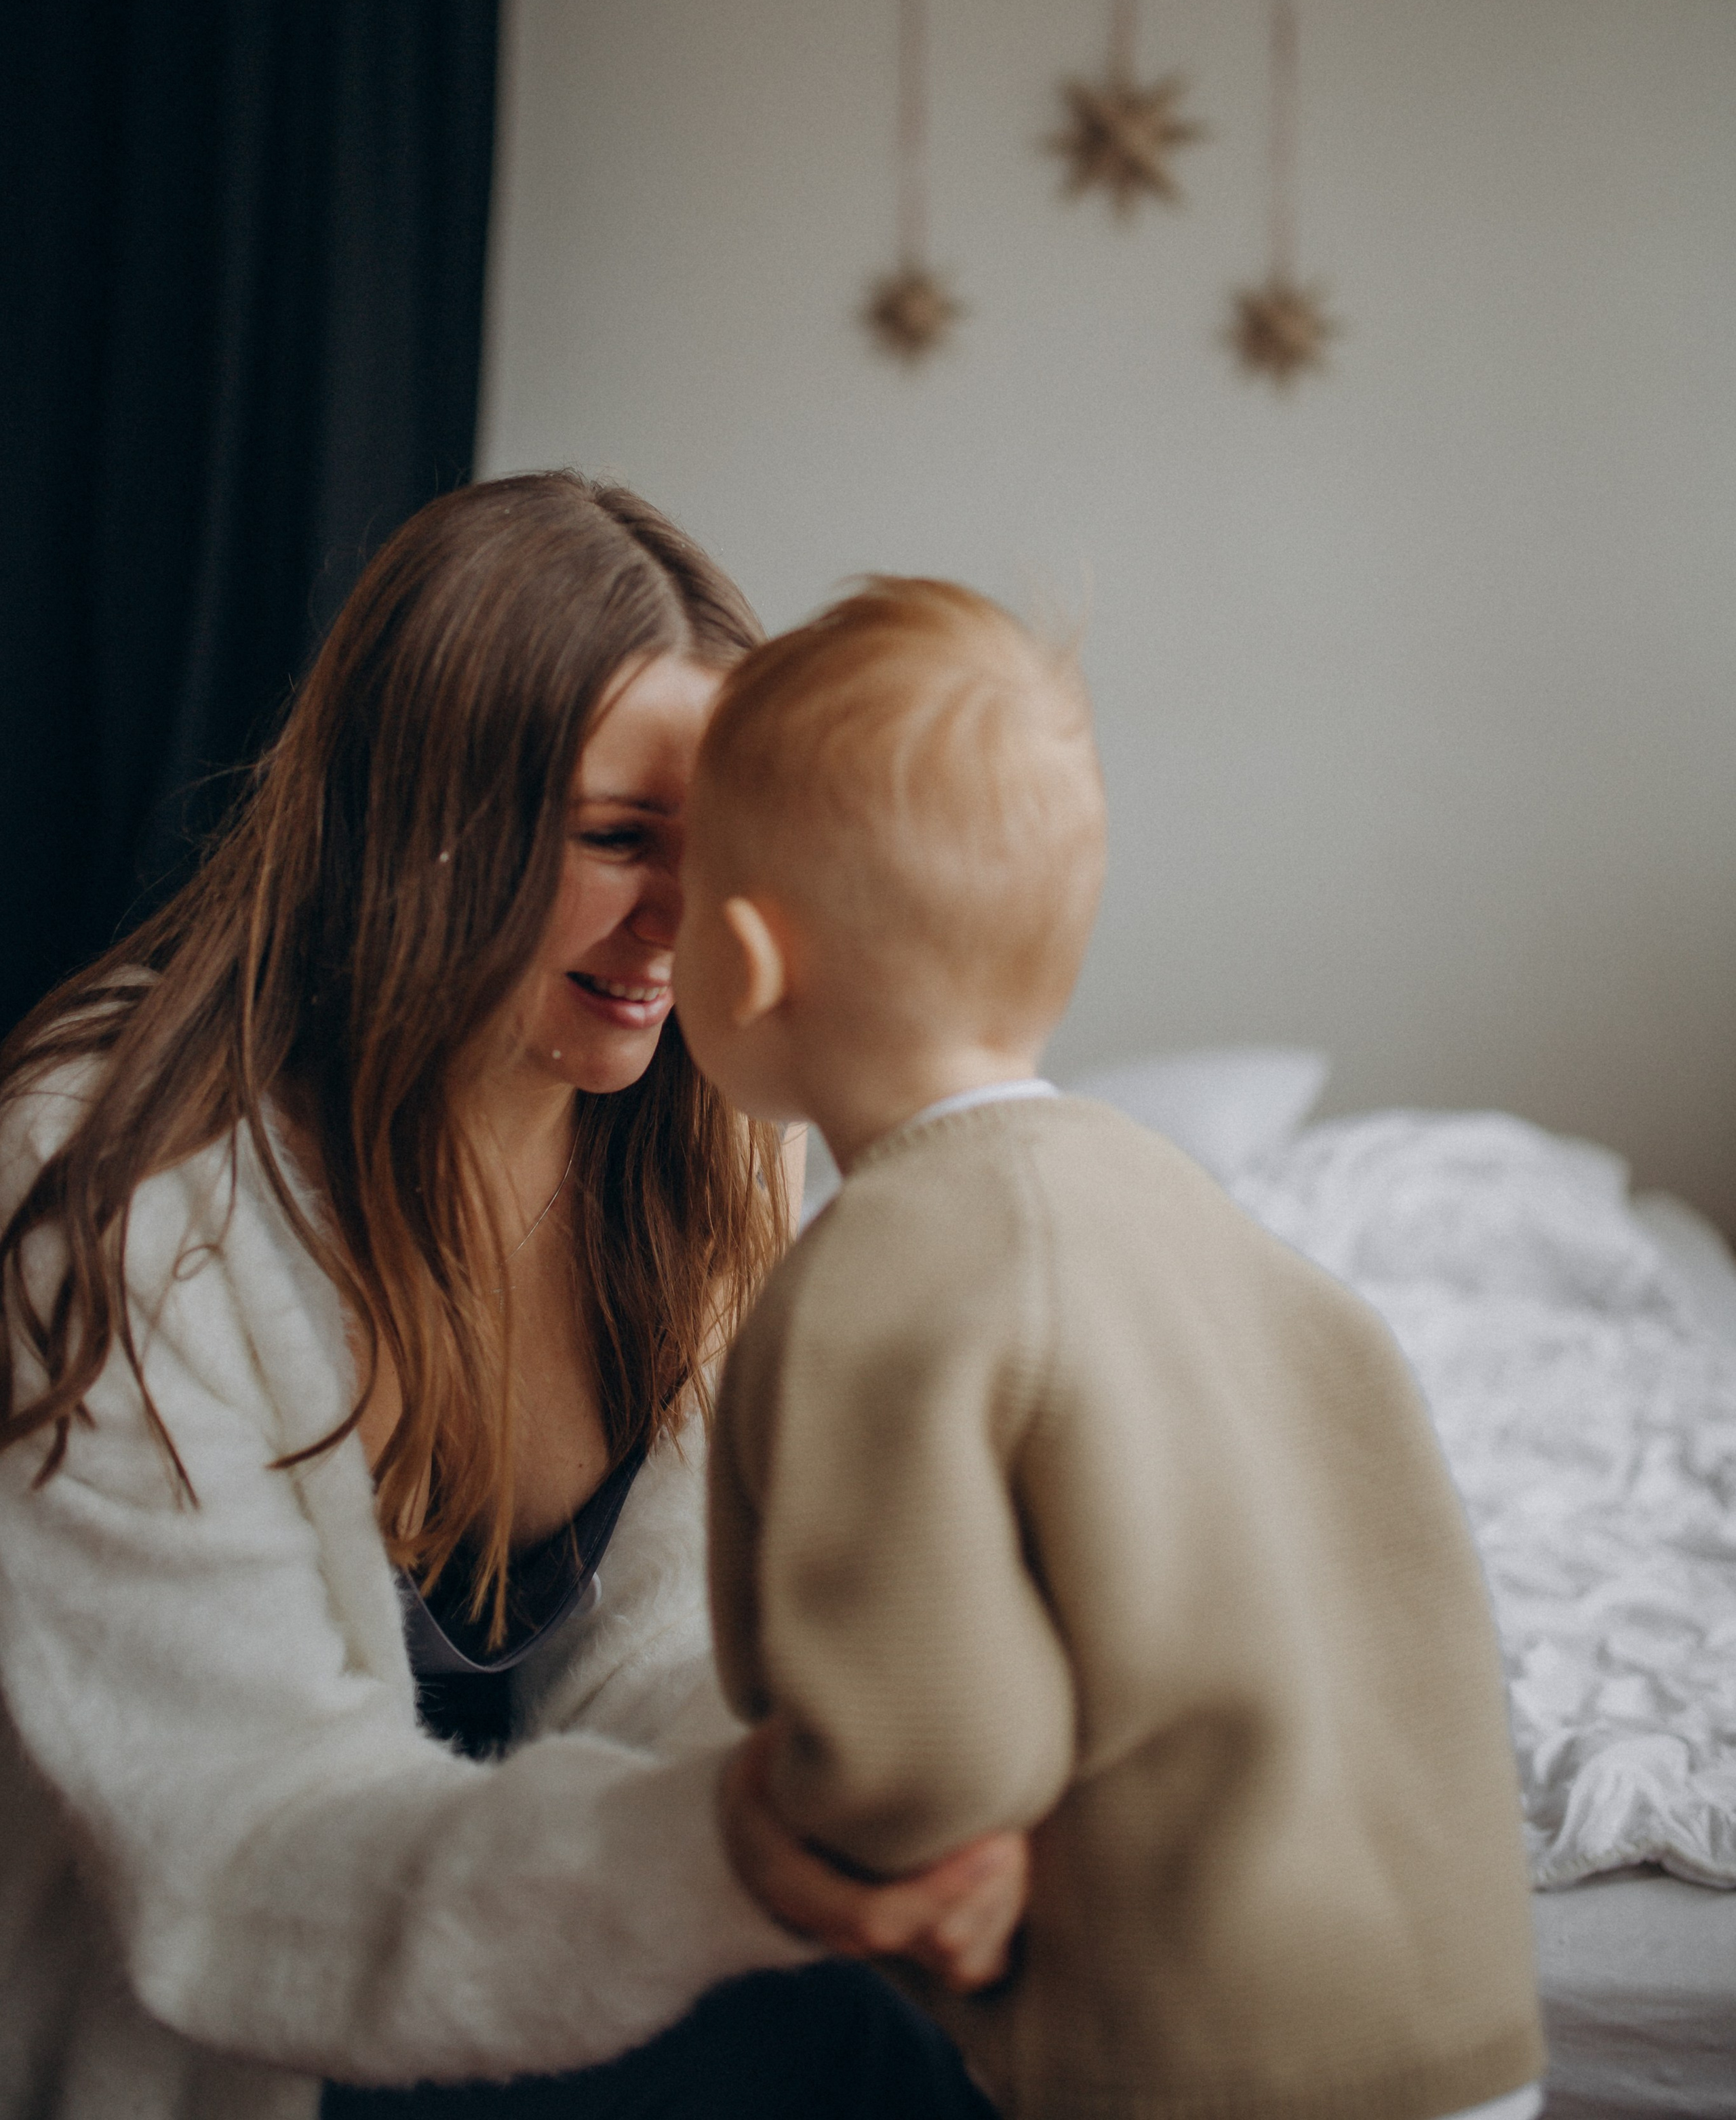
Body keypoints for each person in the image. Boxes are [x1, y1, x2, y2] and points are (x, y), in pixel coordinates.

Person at [0, 476, 1024, 2120]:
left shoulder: (707, 1135)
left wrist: (851, 1781)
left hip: (526, 1940)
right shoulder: (116, 1195)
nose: (682, 929)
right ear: (424, 823)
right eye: (619, 840)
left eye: (724, 853)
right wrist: (721, 1856)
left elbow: (666, 1654)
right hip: (239, 2030)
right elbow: (239, 1855)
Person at [673, 576, 1549, 2120]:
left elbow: (934, 1750)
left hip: (1203, 2060)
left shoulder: (871, 1277)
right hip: (1458, 2034)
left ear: (743, 959)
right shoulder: (1195, 1214)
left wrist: (768, 1806)